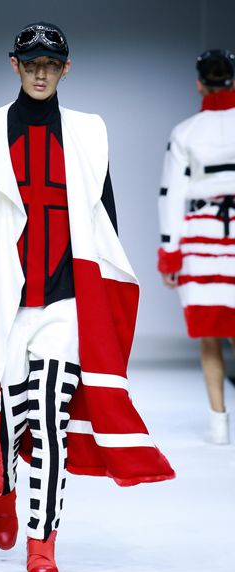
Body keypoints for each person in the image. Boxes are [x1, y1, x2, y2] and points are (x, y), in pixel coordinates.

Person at [0, 21, 175, 572]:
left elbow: (105, 220)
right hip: (3, 302)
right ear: (14, 65)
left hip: (64, 302)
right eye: (32, 63)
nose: (41, 73)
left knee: (50, 422)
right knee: (8, 420)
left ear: (67, 68)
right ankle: (4, 488)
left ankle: (43, 545)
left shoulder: (88, 133)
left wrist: (104, 298)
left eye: (51, 64)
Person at [157, 48, 235, 445]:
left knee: (210, 333)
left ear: (199, 84)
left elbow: (171, 194)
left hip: (202, 236)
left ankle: (219, 424)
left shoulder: (186, 132)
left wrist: (169, 252)